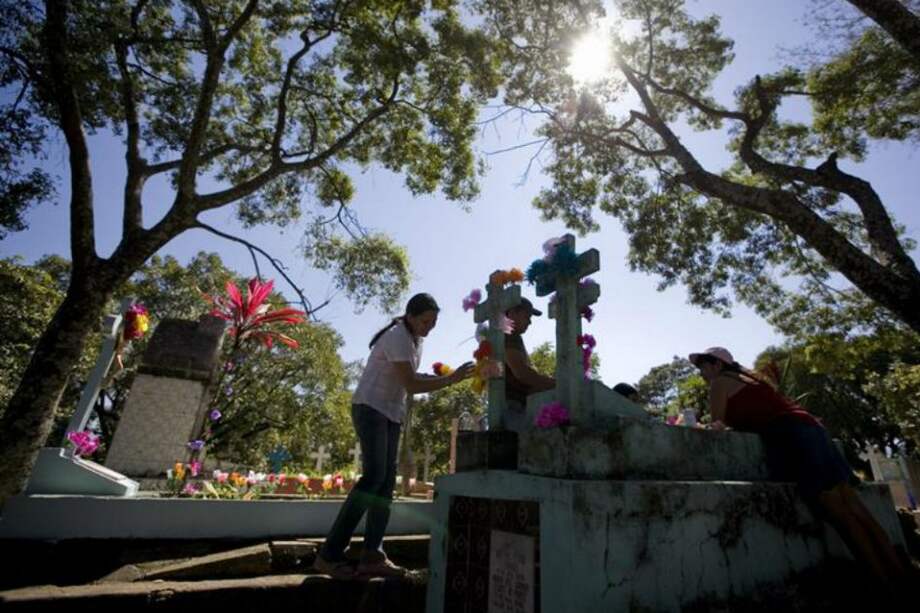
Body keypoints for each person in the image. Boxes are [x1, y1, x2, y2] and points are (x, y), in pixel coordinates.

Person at [689, 346, 908, 590]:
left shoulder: (719, 383)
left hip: (794, 436)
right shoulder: (750, 380)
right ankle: (899, 573)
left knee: (839, 514)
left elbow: (716, 425)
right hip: (812, 428)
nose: (701, 373)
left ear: (717, 365)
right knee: (856, 508)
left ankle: (882, 583)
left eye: (703, 367)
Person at [313, 293, 474, 578]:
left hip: (390, 413)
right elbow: (411, 384)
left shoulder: (415, 340)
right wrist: (451, 380)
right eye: (426, 321)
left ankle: (372, 555)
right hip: (370, 407)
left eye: (434, 322)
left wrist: (449, 377)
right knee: (373, 477)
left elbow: (412, 377)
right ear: (411, 316)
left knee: (386, 484)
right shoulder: (398, 335)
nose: (430, 327)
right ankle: (329, 555)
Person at [503, 298, 555, 432]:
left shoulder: (512, 336)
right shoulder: (508, 335)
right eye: (527, 316)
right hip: (513, 408)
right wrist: (559, 385)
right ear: (512, 313)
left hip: (517, 405)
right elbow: (522, 374)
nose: (530, 322)